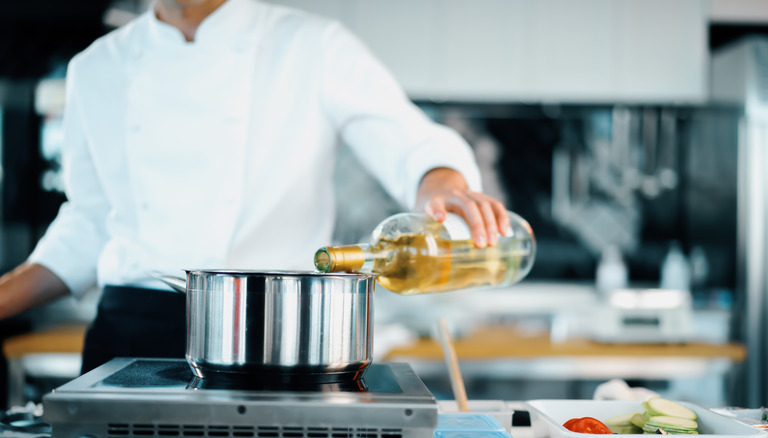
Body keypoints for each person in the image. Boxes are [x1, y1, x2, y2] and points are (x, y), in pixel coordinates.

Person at [0, 0, 511, 373]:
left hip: (274, 330)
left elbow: (411, 146)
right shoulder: (95, 68)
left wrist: (441, 186)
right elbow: (89, 224)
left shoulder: (312, 45)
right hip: (132, 332)